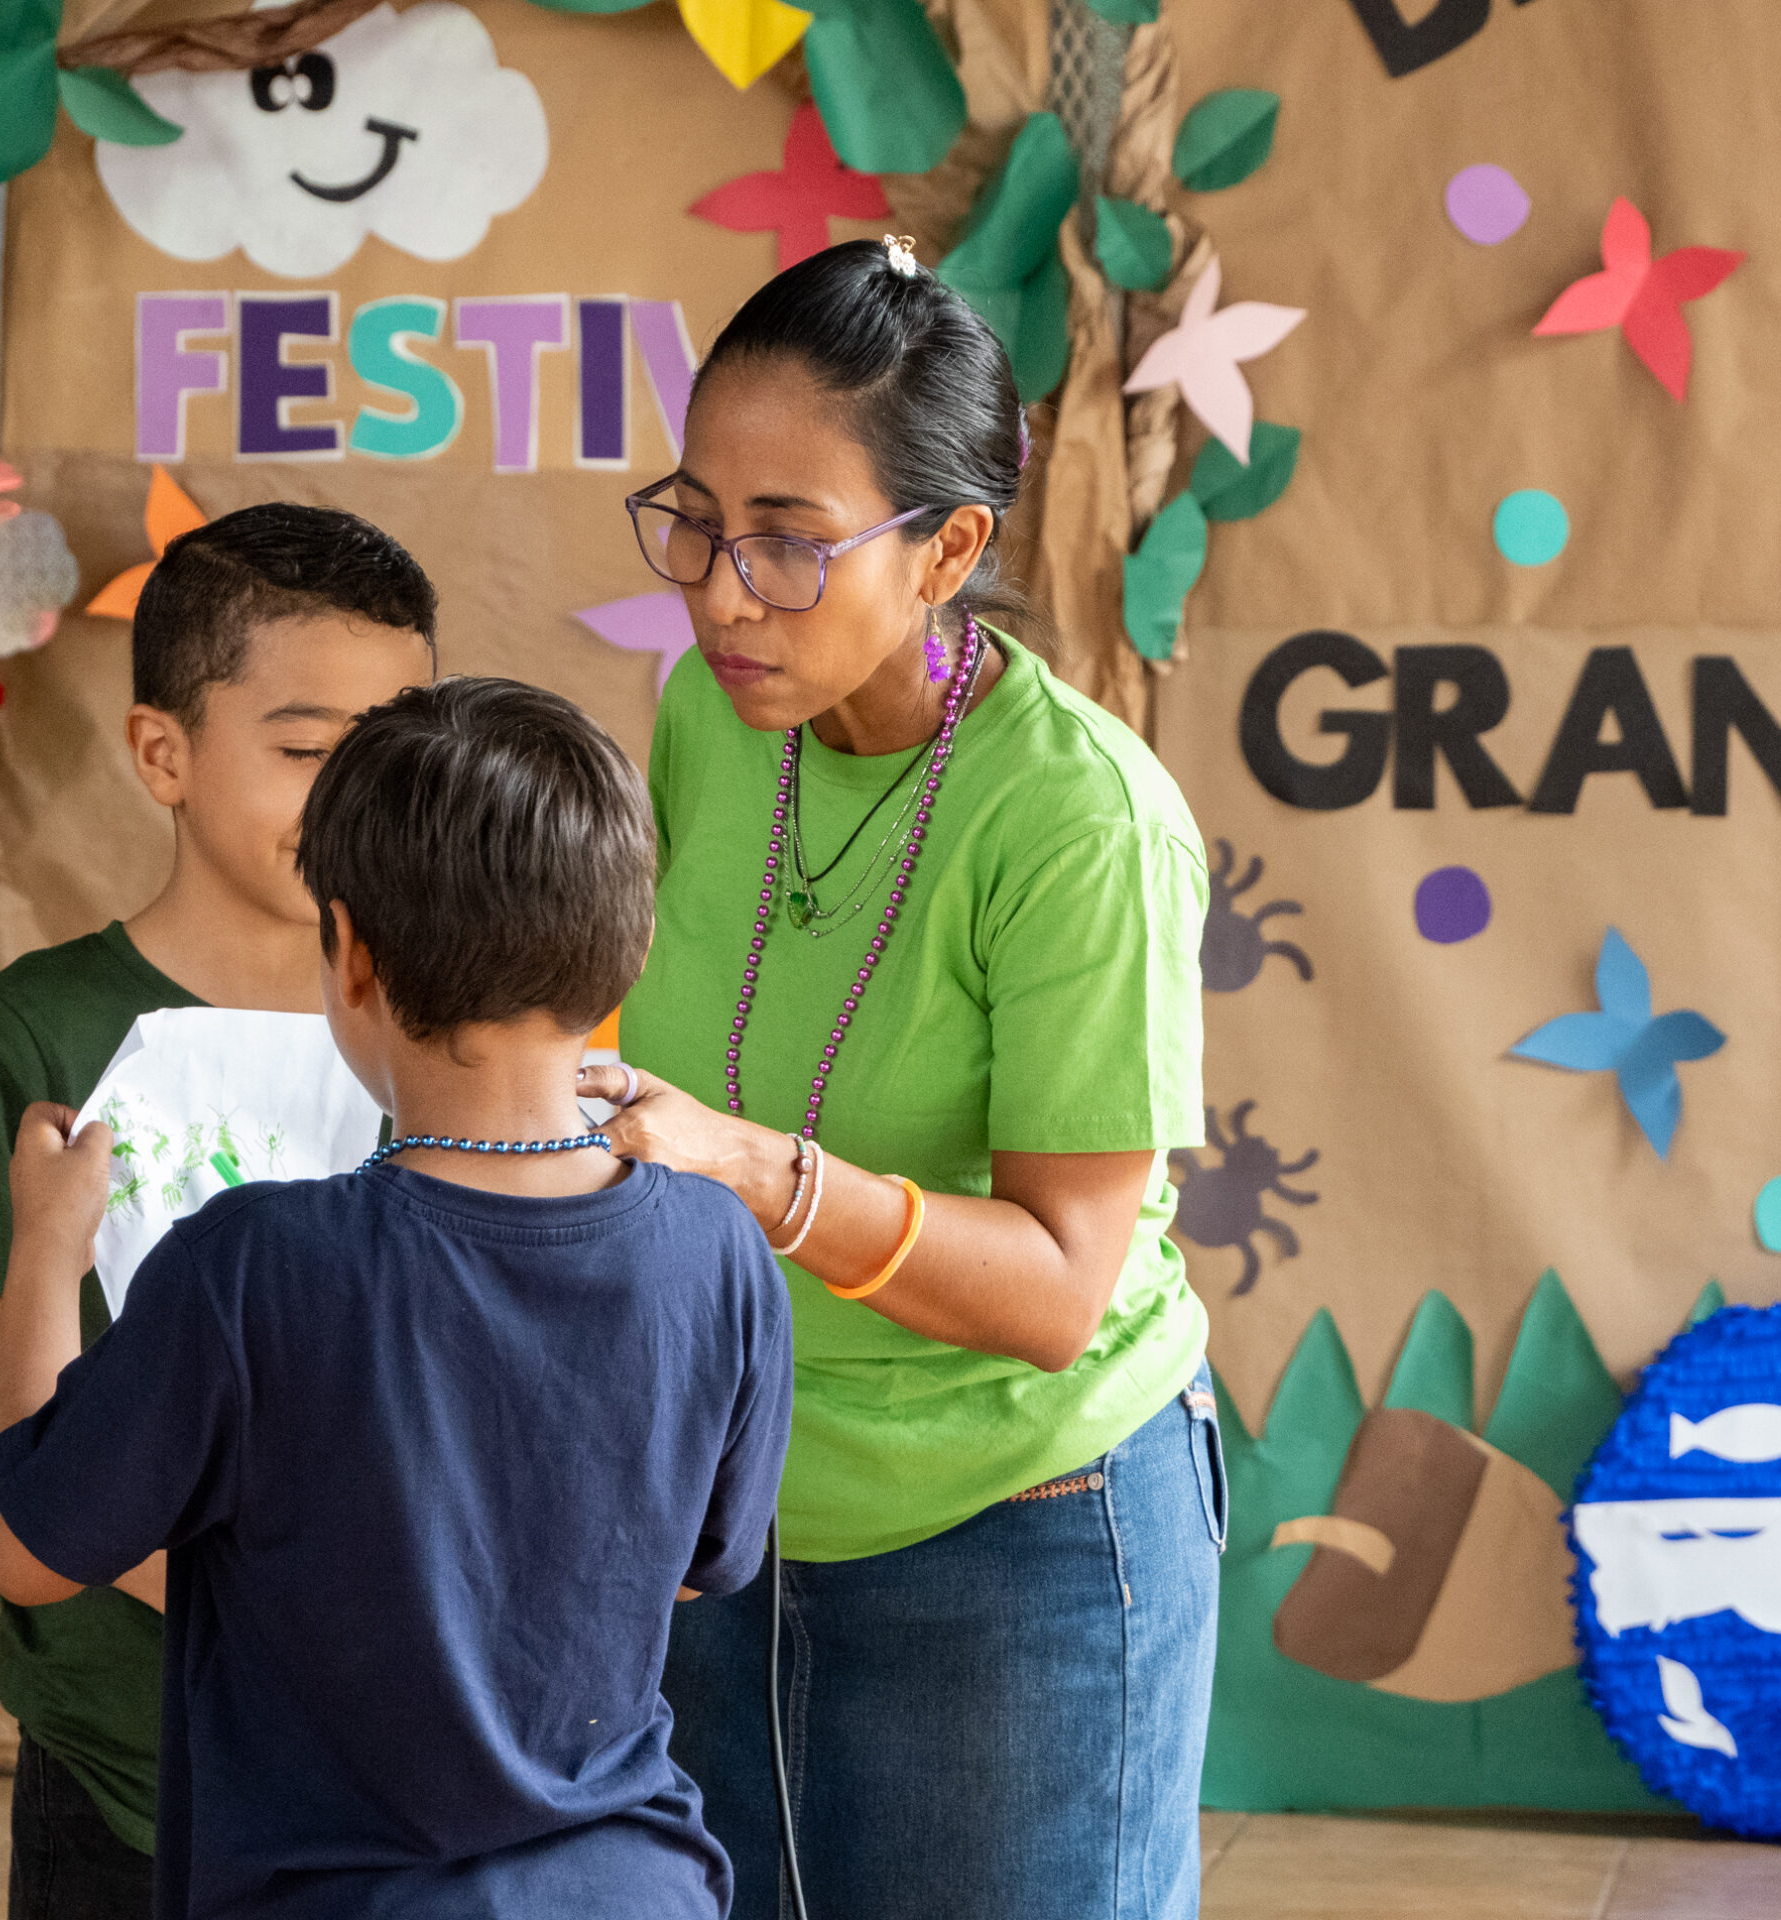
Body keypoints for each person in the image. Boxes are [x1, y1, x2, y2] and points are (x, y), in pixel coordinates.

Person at [590, 236, 1222, 1920]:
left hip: (1022, 1529)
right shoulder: (711, 717)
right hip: (737, 1508)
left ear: (950, 548)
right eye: (697, 523)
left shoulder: (1080, 822)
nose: (724, 594)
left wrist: (757, 1172)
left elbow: (1060, 1291)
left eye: (790, 542)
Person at [0, 676, 794, 1920]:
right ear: (630, 946)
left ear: (349, 952)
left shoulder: (250, 1265)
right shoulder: (719, 1245)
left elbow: (28, 1552)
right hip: (633, 1888)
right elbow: (693, 1569)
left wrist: (44, 1243)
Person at [0, 505, 438, 1919]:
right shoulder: (41, 1029)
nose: (356, 800)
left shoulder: (456, 1031)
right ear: (162, 754)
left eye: (393, 751)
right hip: (126, 1769)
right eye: (306, 752)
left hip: (404, 1776)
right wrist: (219, 1590)